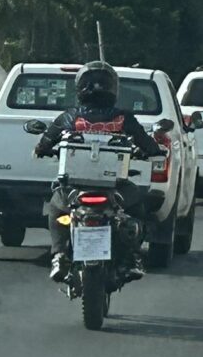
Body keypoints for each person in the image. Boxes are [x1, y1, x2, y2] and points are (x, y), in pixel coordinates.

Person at [35, 61, 164, 284]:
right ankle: (133, 256)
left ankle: (58, 255)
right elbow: (148, 145)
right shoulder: (123, 117)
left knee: (56, 207)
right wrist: (153, 152)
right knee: (137, 207)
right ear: (113, 88)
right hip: (116, 187)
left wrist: (42, 150)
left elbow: (45, 141)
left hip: (73, 188)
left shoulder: (70, 116)